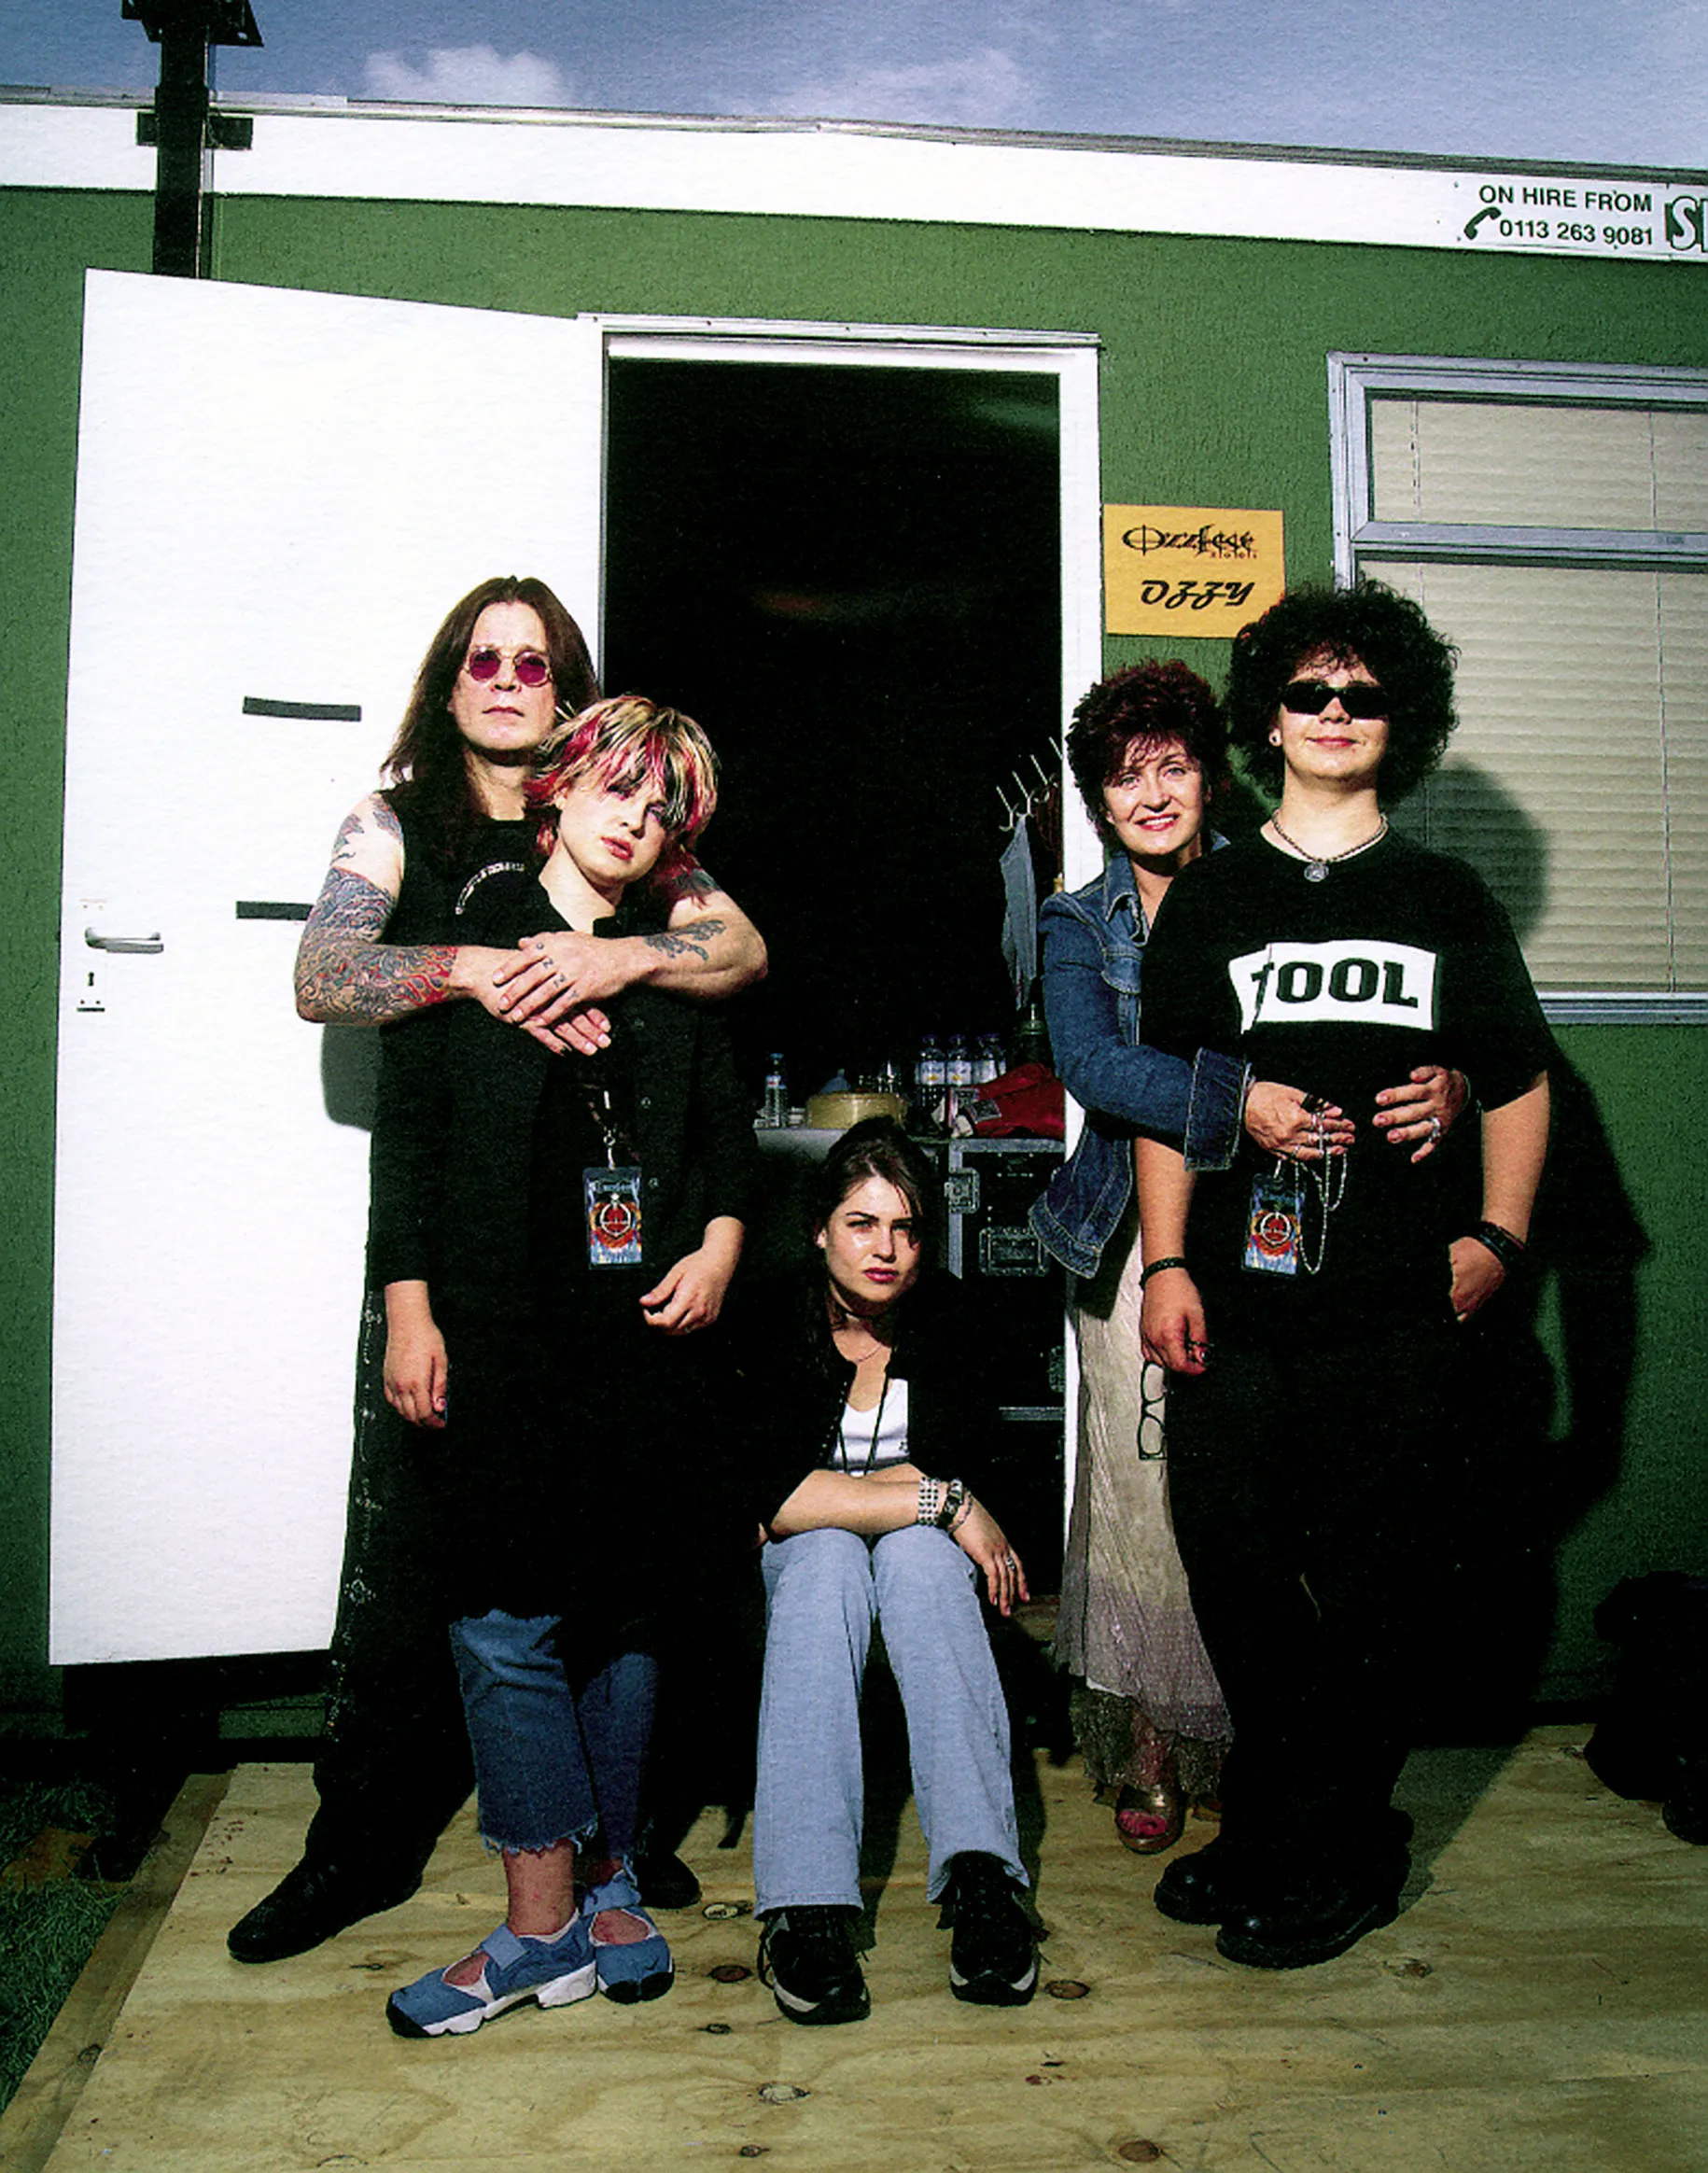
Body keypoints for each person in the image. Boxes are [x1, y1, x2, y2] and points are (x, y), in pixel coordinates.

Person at [229, 577, 766, 1966]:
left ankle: (611, 1849)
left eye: (537, 658)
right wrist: (473, 963)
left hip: (608, 1302)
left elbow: (735, 958)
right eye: (485, 655)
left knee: (614, 1574)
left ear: (570, 691)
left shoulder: (634, 810)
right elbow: (325, 977)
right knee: (425, 1568)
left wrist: (613, 961)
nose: (509, 675)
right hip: (466, 1282)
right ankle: (357, 1849)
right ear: (450, 677)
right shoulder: (399, 822)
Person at [1136, 581, 1553, 1970]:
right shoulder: (1212, 897)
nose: (1331, 714)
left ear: (1398, 721)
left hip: (1391, 1308)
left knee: (1373, 1586)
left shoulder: (1443, 896)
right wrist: (1167, 1260)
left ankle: (1344, 1846)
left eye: (1359, 694)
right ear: (1267, 715)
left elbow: (1516, 1080)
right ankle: (1275, 1817)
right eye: (1308, 693)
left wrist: (1494, 1236)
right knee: (1235, 1566)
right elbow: (1175, 1104)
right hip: (1241, 1301)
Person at [1033, 663, 1465, 1857]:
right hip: (1137, 1240)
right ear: (1100, 804)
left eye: (1172, 765)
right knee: (1145, 1500)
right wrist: (1245, 1101)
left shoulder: (1268, 882)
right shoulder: (1080, 920)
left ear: (1209, 771)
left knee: (1254, 1511)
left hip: (1286, 1237)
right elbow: (1097, 1068)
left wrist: (1454, 1080)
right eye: (1126, 779)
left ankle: (1258, 1753)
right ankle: (1157, 1754)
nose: (1153, 794)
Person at [374, 693, 754, 2036]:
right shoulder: (467, 951)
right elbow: (408, 1143)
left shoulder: (675, 962)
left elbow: (724, 1133)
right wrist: (410, 1314)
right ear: (561, 787)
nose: (637, 821)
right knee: (498, 1615)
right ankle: (550, 1920)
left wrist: (716, 1245)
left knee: (623, 1609)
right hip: (496, 1325)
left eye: (664, 810)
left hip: (641, 1337)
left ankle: (596, 1908)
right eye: (619, 791)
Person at [738, 1120, 1038, 2025]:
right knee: (828, 1557)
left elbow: (963, 1458)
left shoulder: (949, 1318)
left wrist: (910, 1501)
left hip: (914, 1569)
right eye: (862, 1224)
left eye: (905, 1229)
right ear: (821, 1229)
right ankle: (807, 1905)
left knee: (914, 1561)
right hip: (802, 1571)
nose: (887, 1250)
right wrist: (940, 1500)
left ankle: (984, 1881)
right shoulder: (772, 1316)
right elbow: (781, 1501)